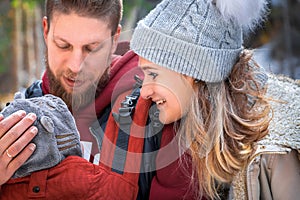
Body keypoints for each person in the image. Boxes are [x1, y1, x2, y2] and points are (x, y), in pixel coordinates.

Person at [129, 0, 300, 199]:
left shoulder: (273, 154)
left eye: (153, 74)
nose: (144, 92)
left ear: (191, 72)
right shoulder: (194, 126)